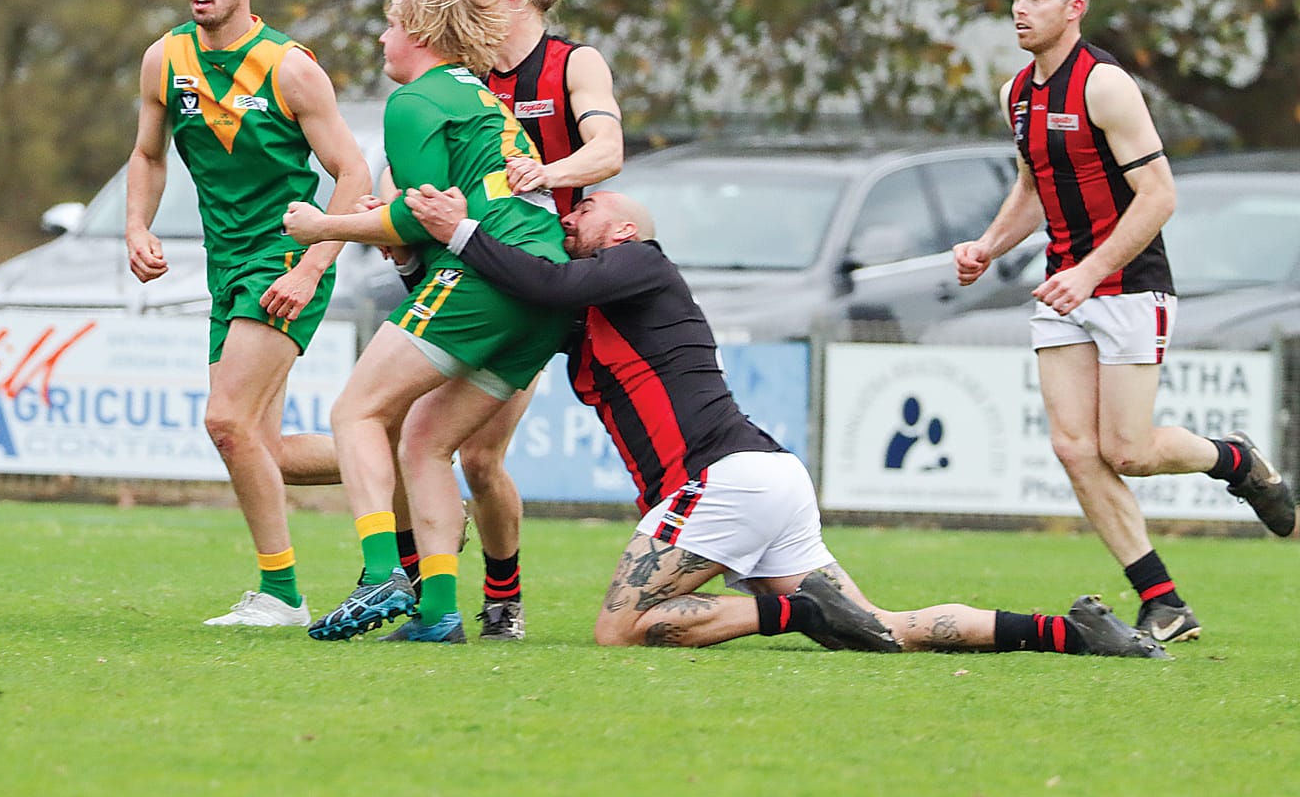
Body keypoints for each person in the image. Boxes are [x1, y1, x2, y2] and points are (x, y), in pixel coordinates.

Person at [403, 183, 1170, 659]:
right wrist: (413, 255)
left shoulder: (646, 265)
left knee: (622, 629)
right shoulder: (589, 307)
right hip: (759, 481)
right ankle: (1075, 632)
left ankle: (791, 611)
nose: (572, 211)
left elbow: (542, 277)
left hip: (726, 479)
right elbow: (520, 293)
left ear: (626, 232)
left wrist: (460, 230)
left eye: (589, 206)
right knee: (881, 627)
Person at [953, 0, 1294, 644]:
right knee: (1075, 448)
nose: (1020, 9)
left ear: (1074, 8)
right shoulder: (1015, 92)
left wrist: (1089, 270)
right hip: (1063, 292)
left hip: (1128, 286)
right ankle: (1163, 599)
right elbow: (1033, 189)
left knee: (1129, 448)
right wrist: (987, 247)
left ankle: (1234, 459)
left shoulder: (1105, 85)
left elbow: (1160, 195)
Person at [282, 0, 570, 644]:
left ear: (419, 30)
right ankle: (439, 610)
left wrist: (323, 225)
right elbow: (430, 220)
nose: (382, 39)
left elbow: (414, 222)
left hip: (492, 276)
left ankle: (384, 569)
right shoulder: (475, 96)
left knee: (357, 410)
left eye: (389, 24)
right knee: (425, 440)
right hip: (544, 289)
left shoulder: (416, 100)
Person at [125, 0, 372, 628]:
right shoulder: (164, 59)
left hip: (287, 258)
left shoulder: (290, 66)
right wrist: (136, 225)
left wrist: (316, 261)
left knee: (226, 420)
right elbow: (146, 156)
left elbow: (354, 172)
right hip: (226, 266)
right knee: (268, 449)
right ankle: (407, 462)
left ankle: (282, 593)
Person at [386, 0, 623, 641]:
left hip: (534, 276)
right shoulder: (460, 71)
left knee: (478, 457)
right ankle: (415, 584)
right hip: (461, 269)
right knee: (406, 432)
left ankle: (500, 601)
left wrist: (545, 175)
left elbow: (608, 153)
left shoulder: (573, 62)